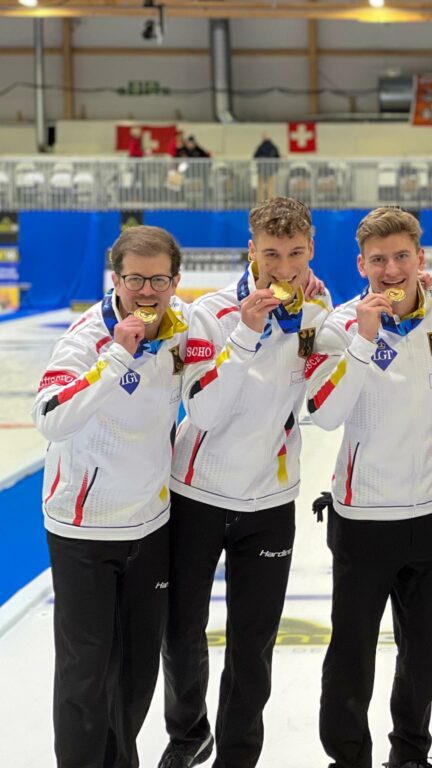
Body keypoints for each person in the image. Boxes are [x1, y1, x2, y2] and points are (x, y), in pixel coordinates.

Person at [306, 208, 432, 768]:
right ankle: (348, 757)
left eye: (401, 256)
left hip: (430, 517)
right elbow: (326, 413)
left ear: (419, 258)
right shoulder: (337, 326)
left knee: (426, 649)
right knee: (352, 652)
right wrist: (363, 339)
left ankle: (410, 753)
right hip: (361, 518)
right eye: (378, 260)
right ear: (361, 265)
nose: (390, 269)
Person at [159, 197, 331, 768]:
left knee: (253, 643)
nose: (285, 269)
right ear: (251, 251)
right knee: (182, 632)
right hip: (197, 495)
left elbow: (322, 398)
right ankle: (189, 736)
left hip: (270, 501)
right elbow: (203, 412)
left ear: (311, 252)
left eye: (297, 254)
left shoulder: (316, 312)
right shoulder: (207, 314)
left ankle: (238, 755)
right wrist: (249, 334)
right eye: (273, 254)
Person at [32, 225, 189, 768]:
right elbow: (49, 417)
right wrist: (116, 358)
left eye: (159, 279)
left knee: (138, 669)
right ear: (115, 278)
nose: (147, 292)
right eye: (135, 279)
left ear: (175, 279)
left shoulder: (180, 328)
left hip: (150, 525)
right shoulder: (83, 340)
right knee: (85, 672)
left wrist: (308, 287)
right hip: (84, 531)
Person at [253, 132, 281, 201]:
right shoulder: (273, 147)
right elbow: (278, 157)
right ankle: (270, 201)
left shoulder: (261, 147)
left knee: (264, 187)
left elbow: (255, 156)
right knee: (269, 187)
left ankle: (261, 201)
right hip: (268, 170)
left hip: (264, 170)